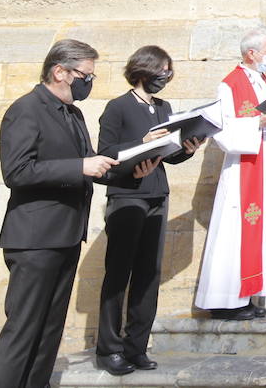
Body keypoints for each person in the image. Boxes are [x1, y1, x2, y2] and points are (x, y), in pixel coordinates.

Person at [0, 40, 159, 388]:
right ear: (60, 72)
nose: (88, 82)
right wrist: (79, 166)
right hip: (34, 238)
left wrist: (131, 170)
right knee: (23, 330)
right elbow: (16, 172)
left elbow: (94, 165)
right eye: (86, 75)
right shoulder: (25, 110)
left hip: (67, 235)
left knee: (49, 330)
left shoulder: (74, 114)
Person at [93, 46, 205, 376]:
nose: (166, 78)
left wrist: (187, 148)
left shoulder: (163, 107)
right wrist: (140, 143)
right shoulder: (118, 107)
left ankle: (136, 346)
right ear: (145, 69)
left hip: (157, 195)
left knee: (148, 275)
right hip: (127, 196)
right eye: (163, 71)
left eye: (169, 73)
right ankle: (109, 350)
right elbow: (106, 153)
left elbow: (168, 155)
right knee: (119, 274)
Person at [195, 25, 266, 320]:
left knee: (260, 231)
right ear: (251, 53)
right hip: (244, 169)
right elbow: (223, 130)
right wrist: (257, 123)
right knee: (235, 232)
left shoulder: (264, 81)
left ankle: (249, 295)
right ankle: (226, 301)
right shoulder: (230, 84)